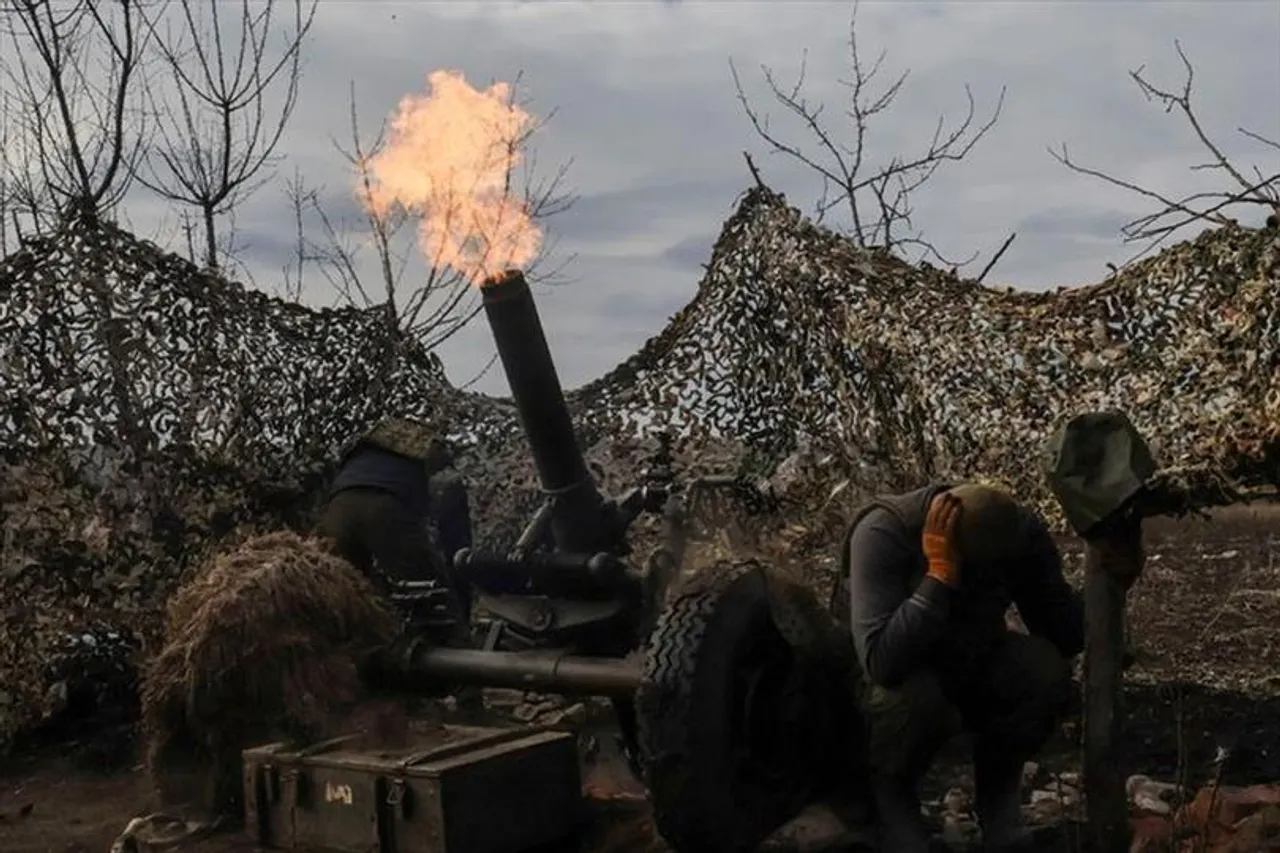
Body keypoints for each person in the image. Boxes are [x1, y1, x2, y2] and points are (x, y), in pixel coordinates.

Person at [839, 482, 1084, 853]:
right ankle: (893, 801)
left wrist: (1112, 581)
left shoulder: (1018, 533)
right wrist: (939, 576)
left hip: (972, 658)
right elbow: (882, 663)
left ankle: (998, 798)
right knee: (911, 699)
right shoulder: (883, 532)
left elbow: (1061, 633)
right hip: (896, 677)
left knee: (1042, 671)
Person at [318, 417, 474, 632]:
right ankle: (460, 655)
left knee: (338, 593)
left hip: (338, 506)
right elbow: (454, 539)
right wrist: (462, 608)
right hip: (386, 506)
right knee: (430, 596)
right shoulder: (438, 456)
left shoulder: (367, 443)